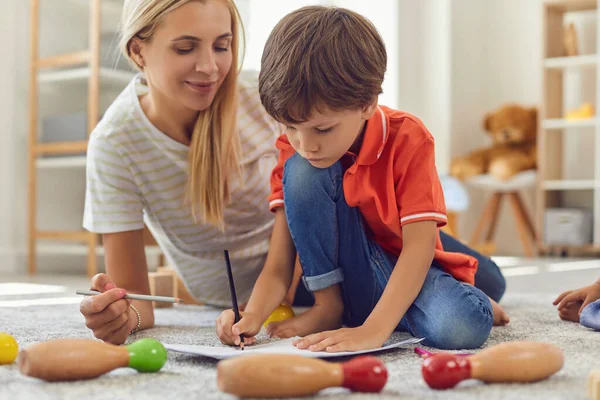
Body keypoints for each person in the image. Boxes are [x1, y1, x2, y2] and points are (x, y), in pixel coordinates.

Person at [216, 5, 509, 352]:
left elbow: (417, 249)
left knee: (465, 321)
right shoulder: (296, 153)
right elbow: (279, 263)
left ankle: (465, 286)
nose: (305, 143)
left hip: (401, 255)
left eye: (322, 128)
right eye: (291, 126)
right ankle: (331, 306)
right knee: (303, 170)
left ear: (368, 103)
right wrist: (252, 315)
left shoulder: (408, 137)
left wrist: (372, 331)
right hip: (351, 269)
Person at [79, 0, 286, 345]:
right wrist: (120, 316)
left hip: (311, 280)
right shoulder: (115, 143)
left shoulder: (265, 99)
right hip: (226, 305)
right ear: (138, 51)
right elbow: (139, 304)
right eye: (186, 47)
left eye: (222, 46)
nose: (209, 67)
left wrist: (280, 297)